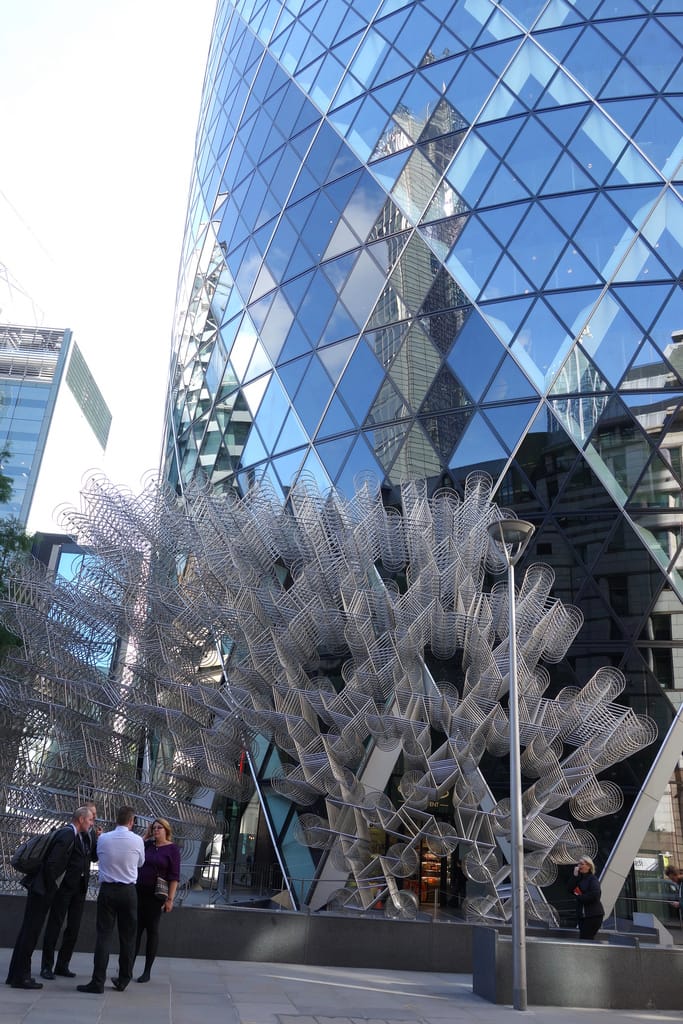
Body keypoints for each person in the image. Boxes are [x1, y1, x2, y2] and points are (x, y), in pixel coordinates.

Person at [5, 805, 95, 989]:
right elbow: (52, 864)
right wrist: (53, 886)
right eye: (90, 820)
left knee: (27, 931)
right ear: (80, 819)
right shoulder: (68, 835)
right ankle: (21, 977)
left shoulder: (69, 834)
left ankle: (16, 974)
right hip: (42, 890)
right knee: (31, 932)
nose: (92, 823)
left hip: (40, 888)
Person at [77, 805, 144, 994]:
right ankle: (123, 978)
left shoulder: (104, 838)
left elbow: (98, 857)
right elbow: (141, 863)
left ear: (117, 819)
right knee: (128, 937)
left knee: (104, 936)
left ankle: (97, 981)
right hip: (129, 891)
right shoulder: (137, 840)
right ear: (131, 821)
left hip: (107, 891)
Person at [40, 800, 102, 979]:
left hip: (80, 888)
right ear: (82, 817)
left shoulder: (89, 835)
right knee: (55, 924)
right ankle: (47, 966)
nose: (94, 819)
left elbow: (93, 857)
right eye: (92, 816)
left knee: (73, 928)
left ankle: (63, 964)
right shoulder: (69, 834)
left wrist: (97, 840)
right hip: (64, 887)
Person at [134, 818, 180, 982]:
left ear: (166, 830)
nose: (156, 831)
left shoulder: (172, 849)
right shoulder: (147, 845)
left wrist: (170, 899)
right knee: (135, 931)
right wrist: (146, 835)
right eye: (154, 828)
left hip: (156, 896)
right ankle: (127, 968)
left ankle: (147, 971)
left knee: (152, 931)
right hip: (139, 892)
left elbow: (174, 877)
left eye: (159, 828)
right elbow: (134, 846)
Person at [569, 855, 604, 940]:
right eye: (578, 864)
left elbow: (595, 895)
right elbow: (570, 889)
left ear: (588, 866)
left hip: (593, 916)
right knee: (585, 938)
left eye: (581, 864)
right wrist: (575, 876)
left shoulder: (592, 879)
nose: (579, 866)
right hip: (583, 916)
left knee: (586, 938)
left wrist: (580, 897)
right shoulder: (579, 878)